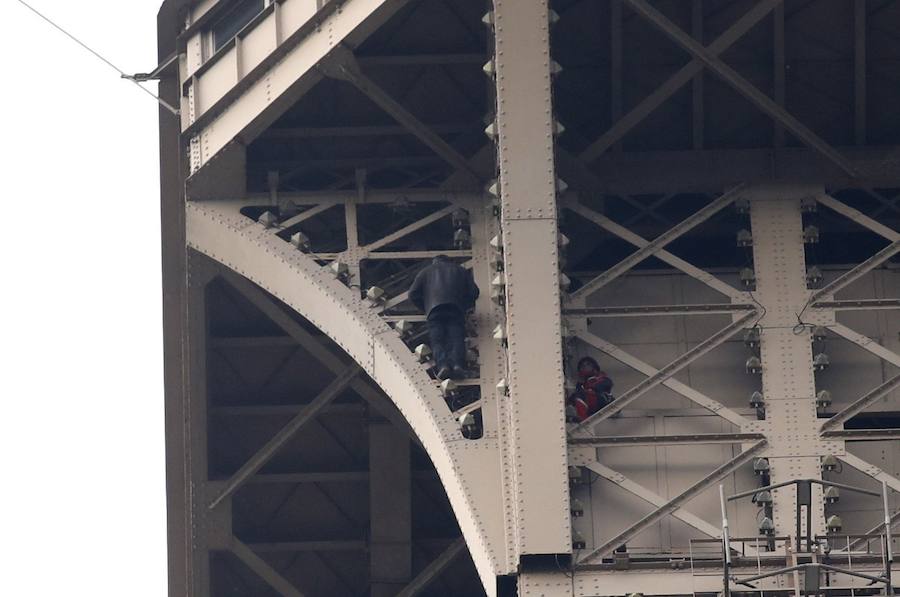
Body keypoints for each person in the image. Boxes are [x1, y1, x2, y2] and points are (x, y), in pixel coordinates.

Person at [408, 255, 480, 380]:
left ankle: (443, 366)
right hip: (455, 309)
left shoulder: (425, 272)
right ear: (449, 260)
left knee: (438, 340)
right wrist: (464, 305)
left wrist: (425, 307)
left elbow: (412, 293)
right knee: (456, 337)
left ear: (434, 261)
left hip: (434, 311)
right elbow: (474, 292)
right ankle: (457, 365)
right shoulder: (460, 270)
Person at [568, 356, 614, 422]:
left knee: (580, 395)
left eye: (588, 364)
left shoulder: (602, 379)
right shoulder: (581, 385)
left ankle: (582, 419)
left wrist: (590, 389)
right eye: (582, 366)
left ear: (595, 368)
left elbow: (605, 385)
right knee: (574, 398)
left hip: (602, 402)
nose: (585, 367)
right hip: (590, 408)